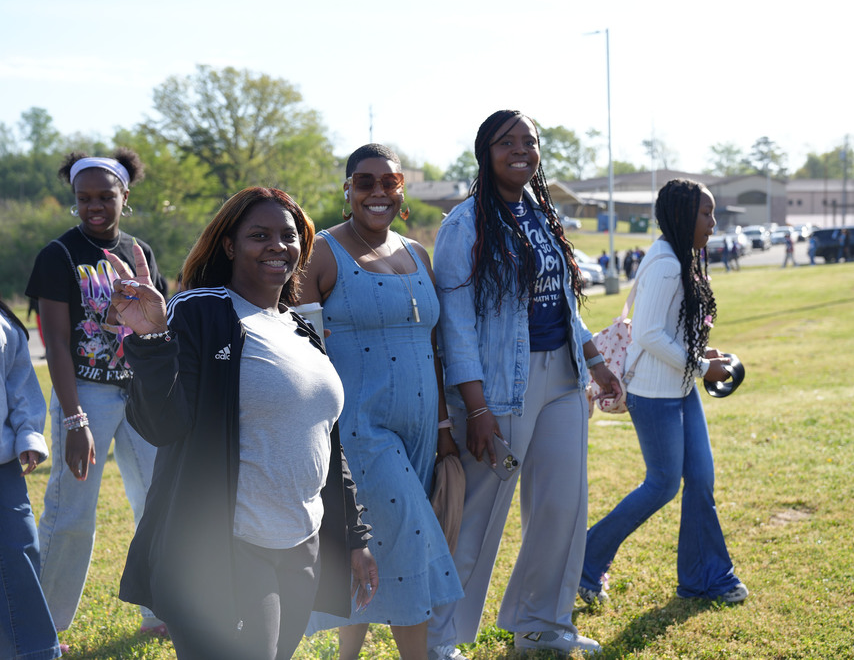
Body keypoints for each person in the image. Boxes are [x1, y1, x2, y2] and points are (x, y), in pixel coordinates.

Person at [107, 187, 378, 660]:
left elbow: (326, 442)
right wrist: (150, 340)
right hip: (224, 548)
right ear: (230, 246)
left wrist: (354, 537)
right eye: (259, 235)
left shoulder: (300, 329)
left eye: (288, 235)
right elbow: (161, 425)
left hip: (301, 545)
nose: (278, 245)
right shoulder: (202, 311)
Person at [427, 110, 620, 660]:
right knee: (476, 519)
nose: (520, 150)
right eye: (505, 141)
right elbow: (456, 326)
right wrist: (477, 409)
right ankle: (439, 641)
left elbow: (563, 302)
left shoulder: (539, 213)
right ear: (484, 154)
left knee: (562, 507)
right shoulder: (465, 225)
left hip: (562, 378)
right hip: (497, 390)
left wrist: (596, 362)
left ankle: (541, 628)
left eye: (528, 141)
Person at [301, 145, 463, 660]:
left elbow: (435, 348)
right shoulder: (321, 253)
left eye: (389, 183)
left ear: (401, 192)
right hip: (359, 431)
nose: (378, 192)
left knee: (377, 546)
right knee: (408, 539)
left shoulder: (419, 254)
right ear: (346, 189)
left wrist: (443, 430)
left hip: (420, 429)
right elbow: (302, 349)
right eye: (365, 182)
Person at [578, 179, 748, 608]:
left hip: (681, 387)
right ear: (681, 216)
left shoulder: (677, 254)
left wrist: (700, 355)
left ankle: (705, 577)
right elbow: (650, 334)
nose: (713, 222)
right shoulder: (667, 263)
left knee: (701, 481)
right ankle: (584, 559)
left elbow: (665, 330)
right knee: (663, 484)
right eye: (706, 214)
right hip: (654, 394)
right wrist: (704, 366)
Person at [24, 149, 169, 641]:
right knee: (72, 516)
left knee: (156, 502)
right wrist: (74, 419)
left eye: (105, 196)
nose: (94, 206)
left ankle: (160, 611)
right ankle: (43, 629)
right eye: (83, 198)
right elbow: (57, 343)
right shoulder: (59, 255)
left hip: (140, 395)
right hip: (86, 392)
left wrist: (148, 312)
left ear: (125, 196)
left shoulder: (139, 252)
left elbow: (155, 327)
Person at [0, 300, 62, 660]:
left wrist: (28, 437)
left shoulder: (6, 325)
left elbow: (20, 383)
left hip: (4, 465)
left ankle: (37, 651)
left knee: (20, 550)